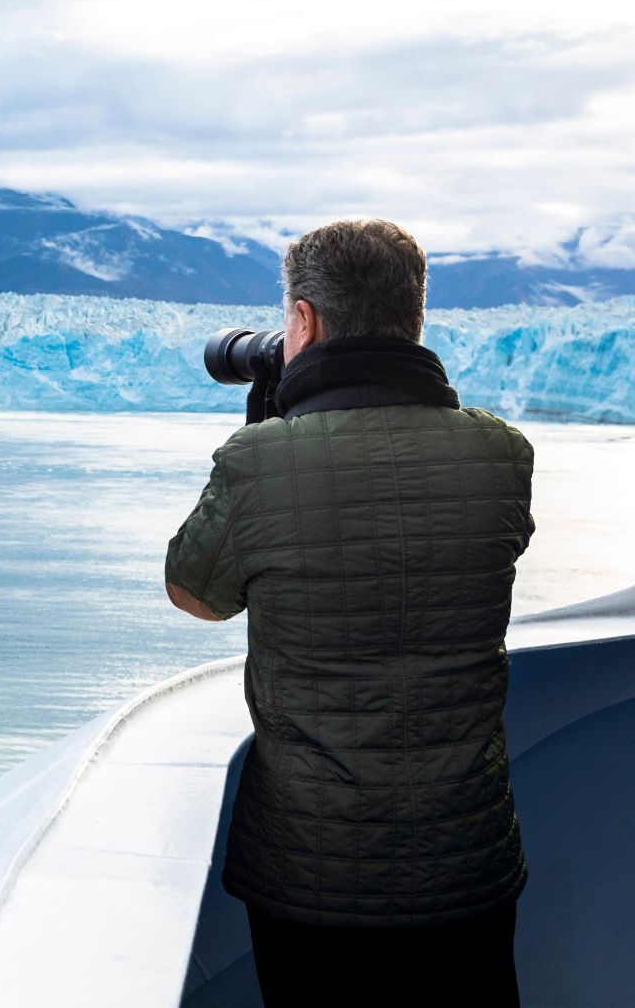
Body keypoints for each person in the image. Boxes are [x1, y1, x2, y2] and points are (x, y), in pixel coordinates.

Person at [164, 219, 534, 1008]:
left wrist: (266, 425)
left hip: (312, 872)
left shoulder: (259, 462)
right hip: (465, 859)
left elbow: (195, 594)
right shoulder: (502, 453)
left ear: (303, 322)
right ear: (414, 318)